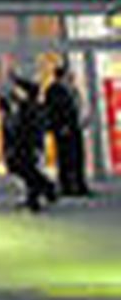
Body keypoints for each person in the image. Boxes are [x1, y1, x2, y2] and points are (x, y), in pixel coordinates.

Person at [41, 59, 94, 197]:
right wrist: (59, 126)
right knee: (65, 159)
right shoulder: (53, 90)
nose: (71, 77)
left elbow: (76, 106)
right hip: (63, 130)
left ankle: (80, 185)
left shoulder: (71, 89)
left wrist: (82, 119)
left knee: (78, 157)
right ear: (62, 75)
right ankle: (67, 187)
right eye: (68, 75)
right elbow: (52, 110)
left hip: (74, 127)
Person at [7, 75, 59, 212]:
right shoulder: (29, 106)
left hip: (26, 142)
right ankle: (41, 192)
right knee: (26, 168)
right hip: (26, 142)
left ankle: (43, 190)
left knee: (24, 167)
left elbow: (27, 126)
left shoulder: (30, 107)